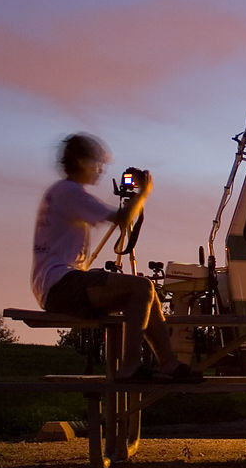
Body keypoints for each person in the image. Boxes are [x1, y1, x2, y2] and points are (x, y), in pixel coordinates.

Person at [31, 133, 200, 383]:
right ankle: (131, 366)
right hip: (61, 285)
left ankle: (169, 363)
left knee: (147, 290)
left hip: (60, 284)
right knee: (141, 287)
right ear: (80, 162)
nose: (100, 170)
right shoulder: (69, 191)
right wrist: (144, 193)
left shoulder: (62, 192)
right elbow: (122, 219)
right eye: (96, 163)